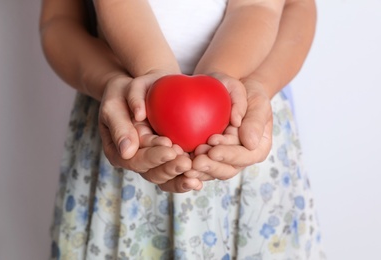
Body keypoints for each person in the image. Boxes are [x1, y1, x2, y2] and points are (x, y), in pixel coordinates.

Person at [40, 0, 326, 259]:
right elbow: (59, 20)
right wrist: (120, 79)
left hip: (244, 125)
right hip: (124, 122)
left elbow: (280, 6)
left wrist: (242, 80)